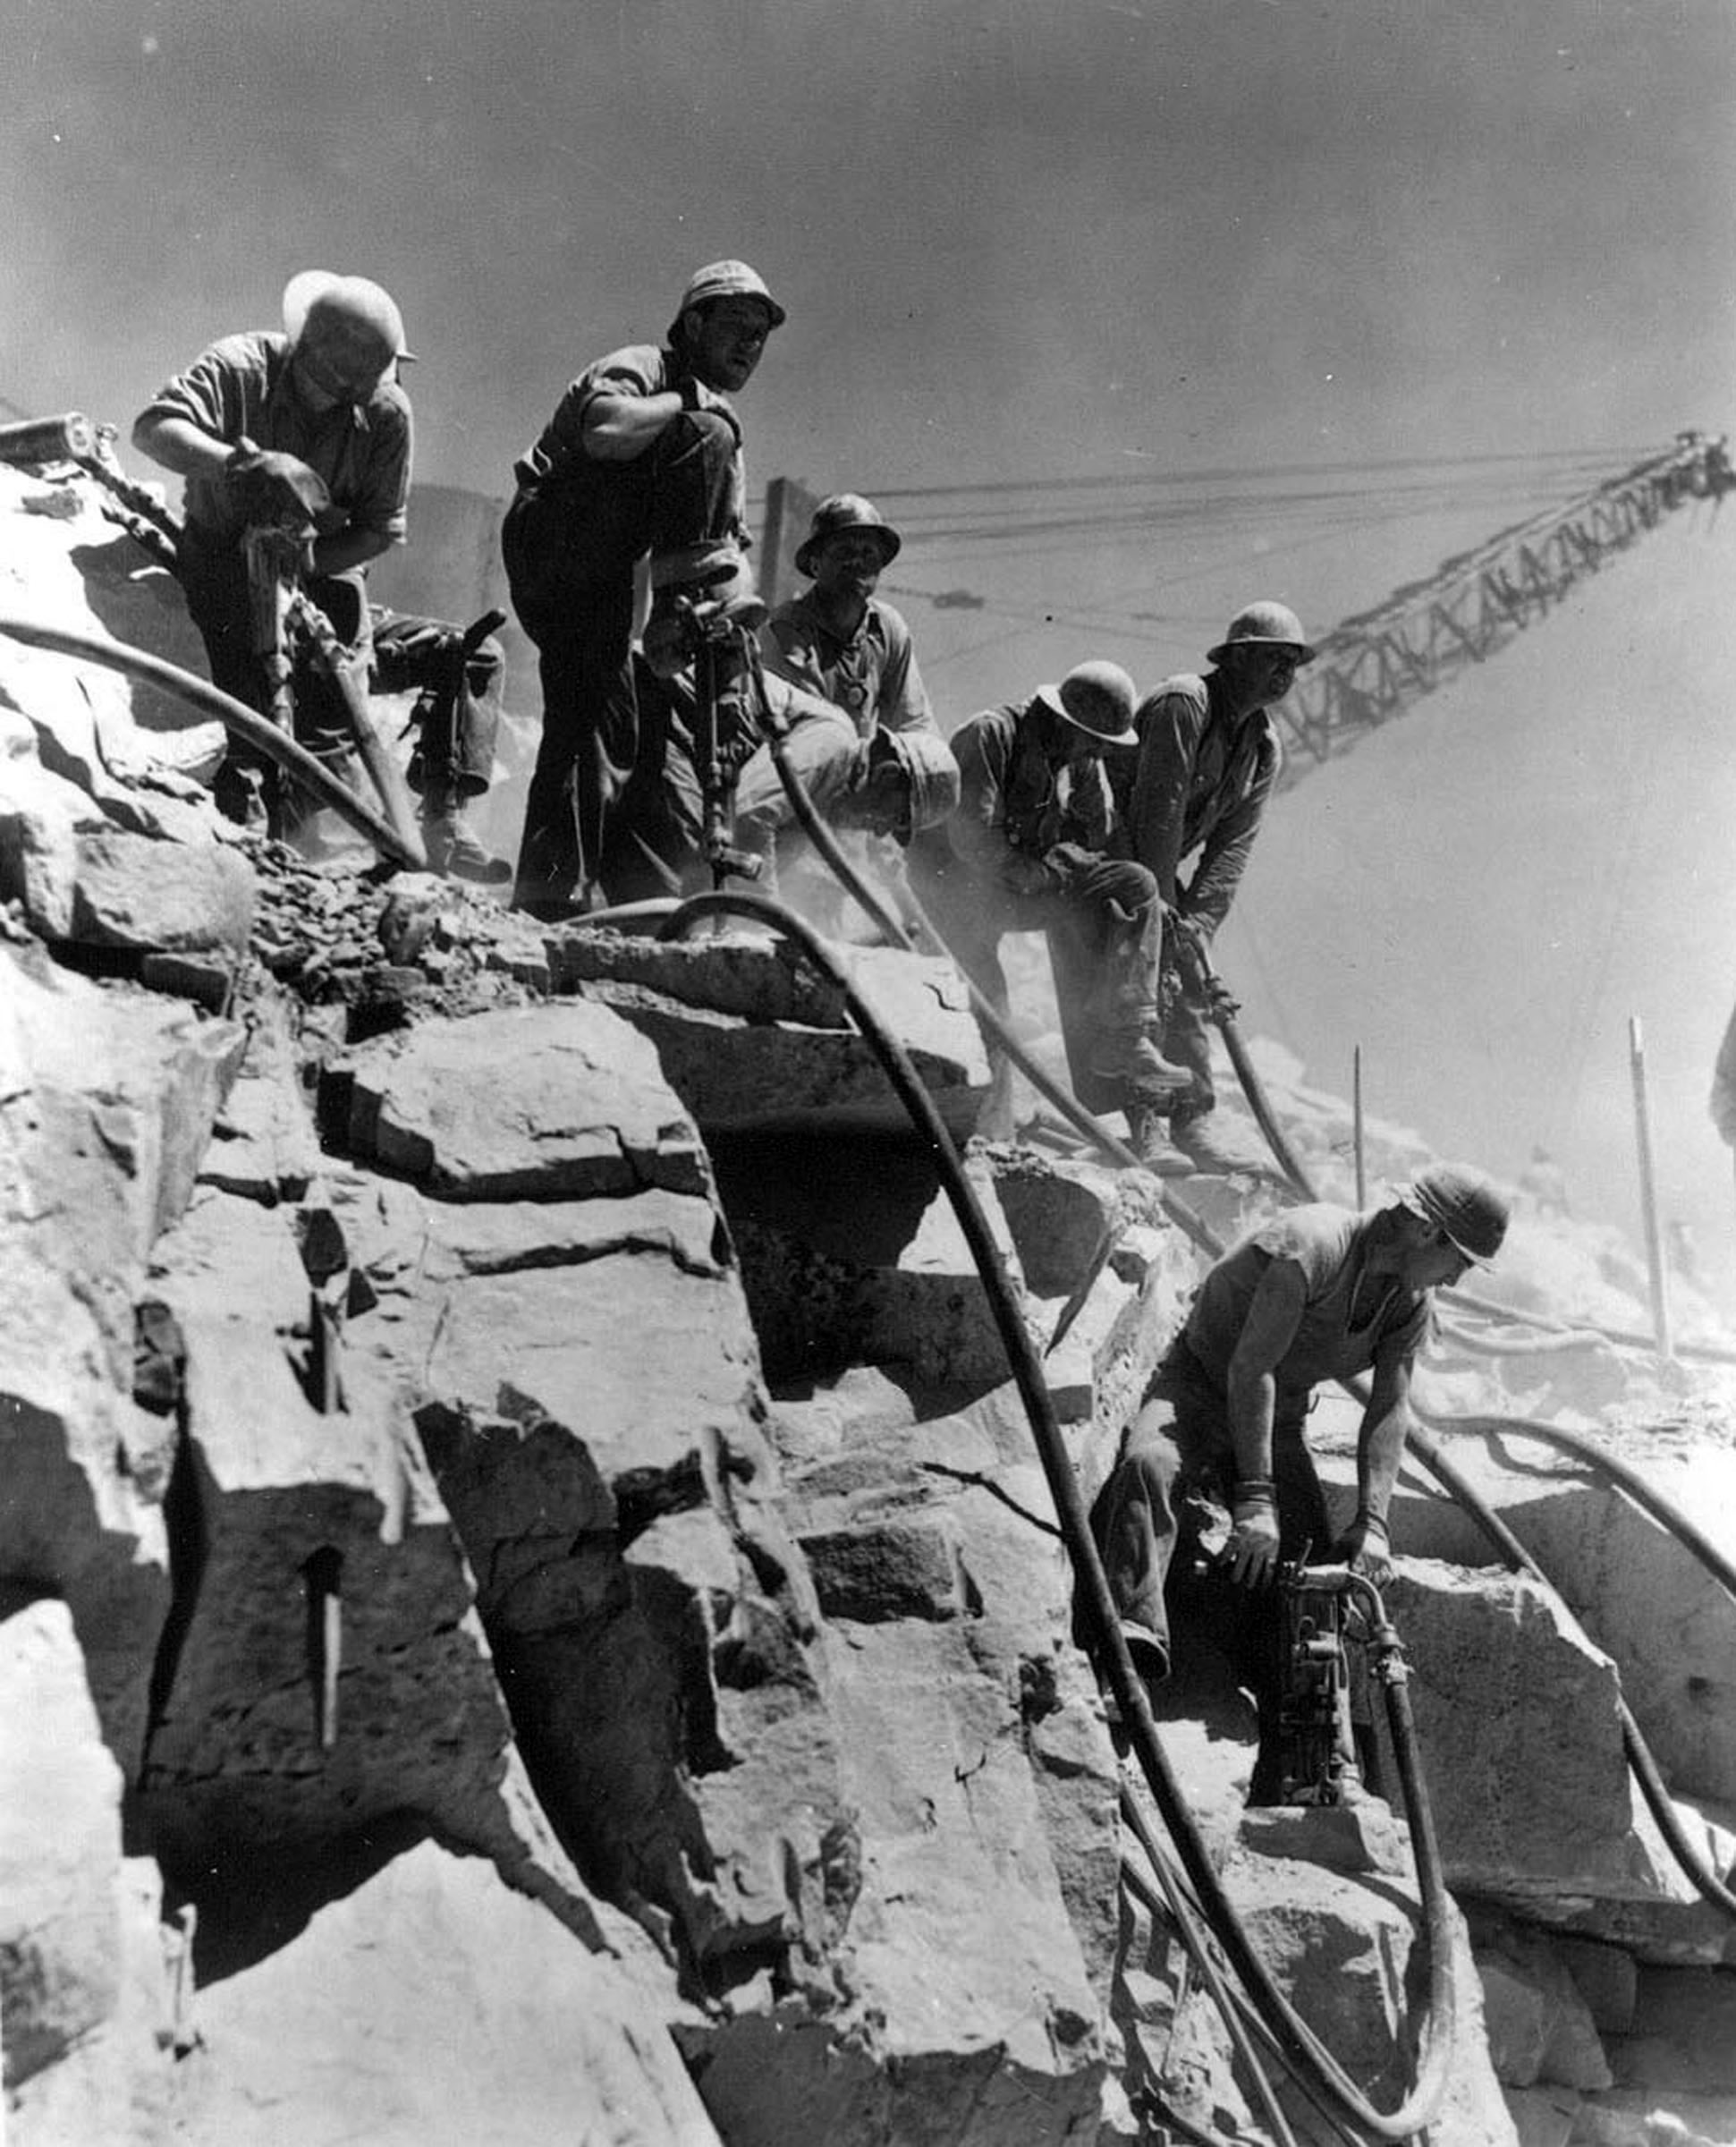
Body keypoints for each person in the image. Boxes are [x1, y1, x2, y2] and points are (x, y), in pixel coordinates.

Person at [1088, 1162, 1509, 1801]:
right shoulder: (1312, 1245)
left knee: (1315, 1561)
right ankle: (1128, 1659)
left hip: (1277, 1416)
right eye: (1459, 1261)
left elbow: (1389, 1409)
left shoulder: (1408, 1304)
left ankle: (1314, 1752)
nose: (1456, 1279)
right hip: (1199, 1385)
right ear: (1427, 1231)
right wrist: (1255, 1498)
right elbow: (1250, 1368)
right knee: (1149, 1469)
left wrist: (1373, 1523)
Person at [131, 270, 508, 879]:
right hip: (220, 575)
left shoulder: (386, 412)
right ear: (300, 348)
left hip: (321, 580)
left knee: (465, 657)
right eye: (328, 385)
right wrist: (239, 465)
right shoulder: (240, 367)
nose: (342, 401)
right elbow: (153, 429)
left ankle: (436, 824)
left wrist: (304, 562)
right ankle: (295, 847)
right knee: (264, 724)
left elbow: (379, 529)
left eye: (360, 389)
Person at [501, 259, 785, 919]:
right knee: (707, 429)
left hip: (611, 577)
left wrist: (726, 638)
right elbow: (603, 432)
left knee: (618, 718)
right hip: (557, 535)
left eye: (759, 336)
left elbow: (730, 548)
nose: (749, 345)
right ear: (694, 324)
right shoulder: (647, 369)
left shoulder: (718, 432)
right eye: (736, 326)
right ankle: (549, 901)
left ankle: (634, 903)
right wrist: (688, 401)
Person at [904, 661, 1192, 1144]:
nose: (1099, 752)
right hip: (957, 900)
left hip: (1017, 890)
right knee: (990, 1017)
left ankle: (1126, 1038)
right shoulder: (991, 735)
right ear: (1062, 721)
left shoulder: (1078, 759)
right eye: (1093, 741)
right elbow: (971, 838)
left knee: (1135, 885)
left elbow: (1097, 830)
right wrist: (1044, 870)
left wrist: (1076, 835)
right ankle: (988, 1139)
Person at [601, 558, 958, 904]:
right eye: (895, 818)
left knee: (667, 903)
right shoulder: (835, 743)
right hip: (650, 698)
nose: (879, 831)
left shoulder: (821, 798)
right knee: (691, 878)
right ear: (888, 774)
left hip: (652, 712)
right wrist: (758, 925)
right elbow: (749, 817)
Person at [1113, 601, 1316, 1171]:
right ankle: (1144, 1123)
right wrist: (1164, 909)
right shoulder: (1185, 703)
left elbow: (1232, 850)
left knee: (1192, 972)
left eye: (1293, 662)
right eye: (1273, 658)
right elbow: (1158, 812)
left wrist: (1197, 925)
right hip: (1106, 847)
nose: (1285, 673)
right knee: (1138, 969)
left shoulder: (1264, 747)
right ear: (1236, 659)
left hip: (1156, 869)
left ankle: (1193, 1118)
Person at [761, 492, 950, 932]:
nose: (859, 561)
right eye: (844, 550)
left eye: (870, 553)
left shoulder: (888, 630)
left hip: (861, 806)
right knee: (816, 919)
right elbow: (814, 744)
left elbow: (915, 726)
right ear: (815, 563)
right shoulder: (789, 629)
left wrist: (908, 795)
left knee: (895, 929)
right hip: (798, 801)